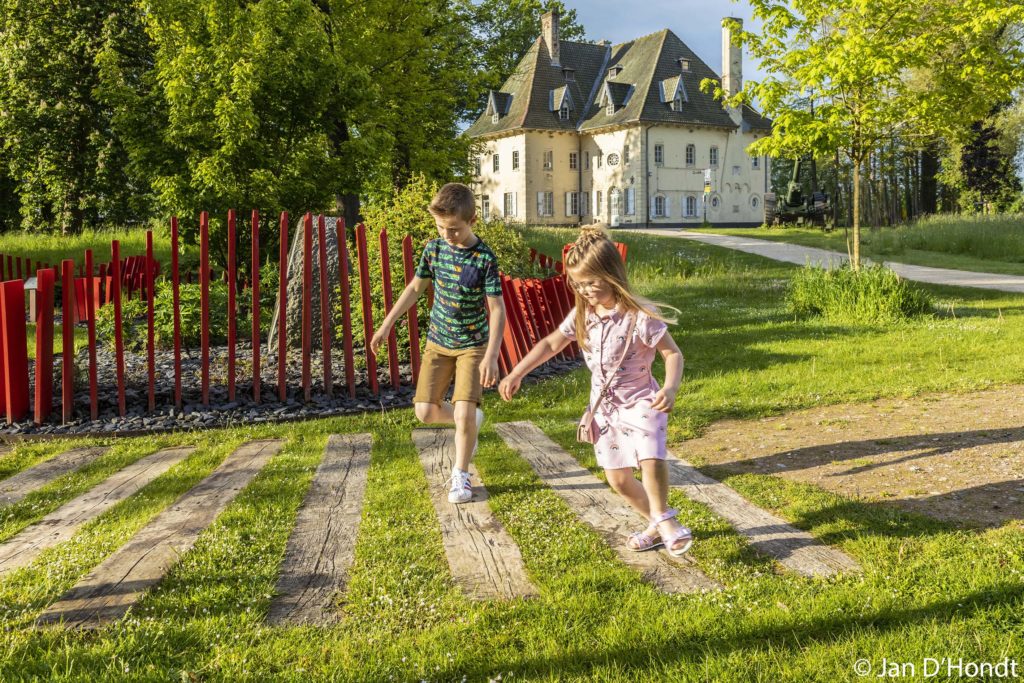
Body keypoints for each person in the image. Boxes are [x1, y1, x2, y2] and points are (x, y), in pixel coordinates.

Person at [497, 224, 692, 554]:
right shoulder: (582, 314)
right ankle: (658, 526)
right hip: (603, 409)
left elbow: (672, 354)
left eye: (591, 282)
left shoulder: (639, 316)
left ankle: (665, 517)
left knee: (650, 456)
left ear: (611, 274)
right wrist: (517, 372)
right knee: (618, 480)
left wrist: (671, 388)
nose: (584, 290)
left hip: (642, 400)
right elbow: (550, 344)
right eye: (578, 283)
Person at [371, 182, 506, 503]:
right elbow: (415, 289)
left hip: (472, 345)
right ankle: (471, 421)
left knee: (462, 412)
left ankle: (461, 475)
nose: (448, 234)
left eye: (455, 229)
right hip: (438, 341)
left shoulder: (484, 258)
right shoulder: (433, 249)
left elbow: (497, 308)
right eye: (441, 227)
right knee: (425, 412)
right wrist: (387, 324)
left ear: (472, 220)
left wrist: (491, 354)